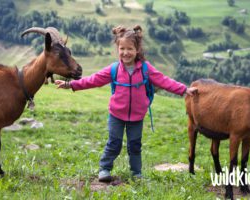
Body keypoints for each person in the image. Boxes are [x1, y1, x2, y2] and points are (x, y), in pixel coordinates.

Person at [55, 25, 198, 182]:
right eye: (122, 48)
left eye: (130, 48)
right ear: (118, 49)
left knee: (135, 146)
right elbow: (93, 80)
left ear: (137, 49)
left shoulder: (145, 68)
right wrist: (71, 85)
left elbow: (164, 81)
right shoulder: (114, 69)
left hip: (136, 117)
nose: (125, 52)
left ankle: (136, 172)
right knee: (114, 143)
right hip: (116, 115)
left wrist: (184, 90)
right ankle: (104, 169)